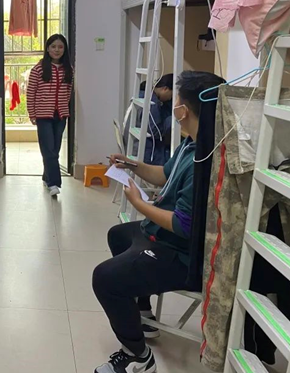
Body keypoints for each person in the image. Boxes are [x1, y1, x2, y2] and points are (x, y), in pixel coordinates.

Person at [92, 71, 225, 373]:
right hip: (167, 239)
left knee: (104, 279)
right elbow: (164, 174)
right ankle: (142, 311)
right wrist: (131, 164)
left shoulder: (203, 161)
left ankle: (138, 355)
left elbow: (183, 225)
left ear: (182, 110)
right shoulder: (192, 144)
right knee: (118, 235)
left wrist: (139, 204)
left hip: (183, 256)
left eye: (176, 102)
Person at [26, 34, 74, 197]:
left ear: (64, 49)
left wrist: (64, 108)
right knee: (48, 150)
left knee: (55, 149)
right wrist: (32, 113)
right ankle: (54, 183)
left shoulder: (68, 69)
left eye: (60, 47)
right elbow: (30, 92)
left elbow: (68, 92)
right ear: (47, 48)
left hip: (60, 116)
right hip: (43, 115)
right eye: (53, 46)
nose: (57, 50)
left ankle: (47, 177)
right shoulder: (39, 69)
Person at [126, 75, 174, 166]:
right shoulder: (152, 101)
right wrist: (172, 120)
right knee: (174, 159)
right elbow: (155, 131)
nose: (170, 98)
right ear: (165, 89)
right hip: (144, 152)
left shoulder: (141, 93)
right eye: (171, 95)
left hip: (132, 145)